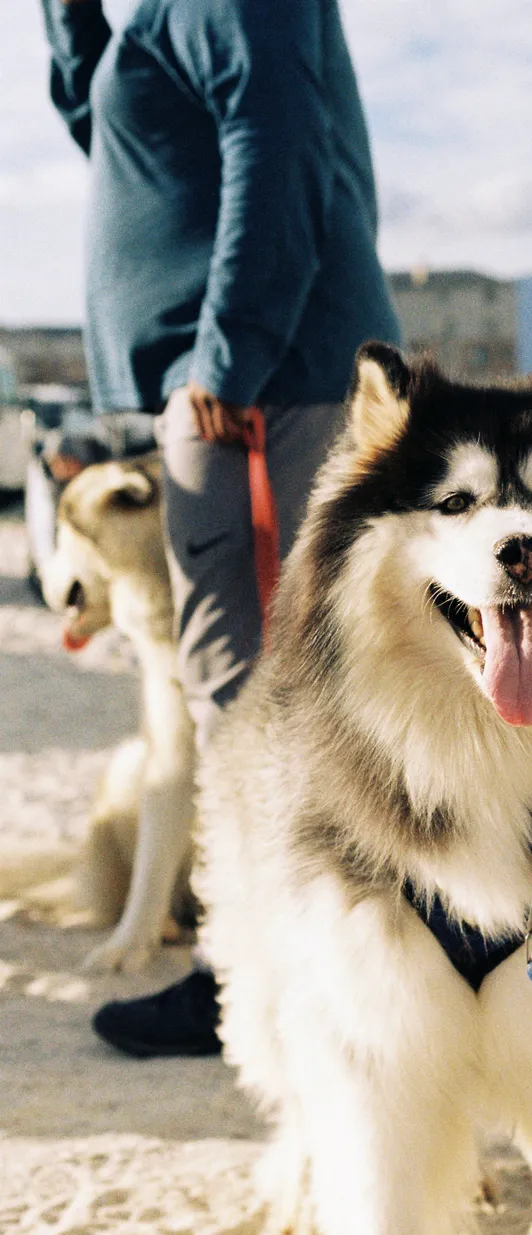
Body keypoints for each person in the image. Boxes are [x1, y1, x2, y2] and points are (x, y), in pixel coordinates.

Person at [42, 0, 401, 1057]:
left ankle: (258, 979)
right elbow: (122, 142)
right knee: (252, 695)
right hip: (241, 382)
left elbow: (276, 136)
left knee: (265, 696)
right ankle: (273, 970)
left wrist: (228, 355)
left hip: (259, 387)